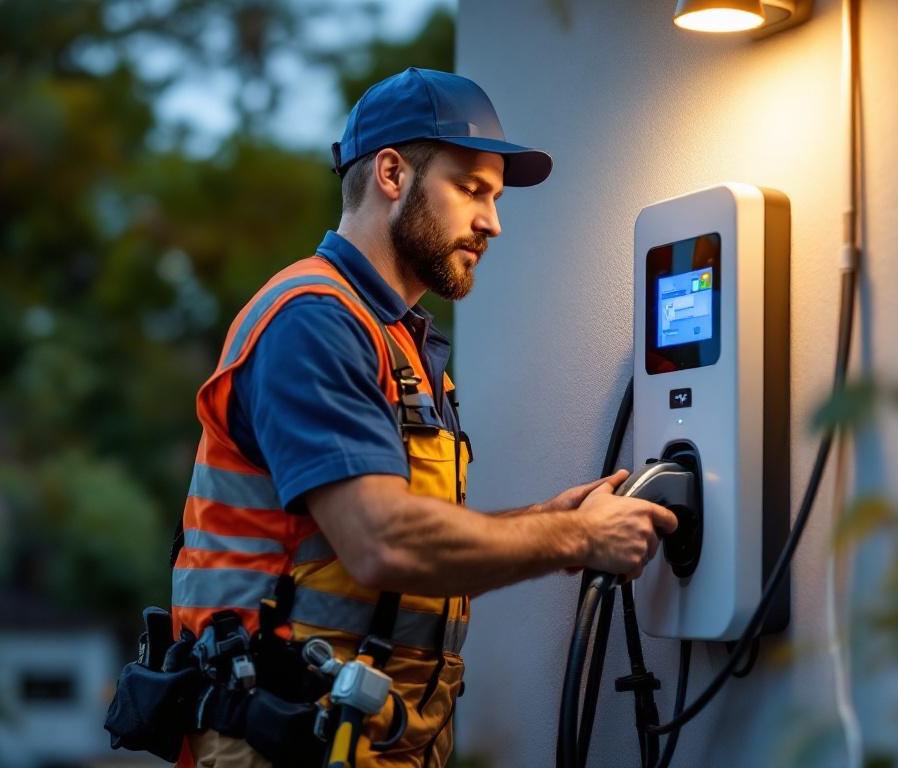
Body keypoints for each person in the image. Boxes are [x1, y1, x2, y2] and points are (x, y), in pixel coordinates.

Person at [169, 67, 676, 767]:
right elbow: (381, 543)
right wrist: (575, 538)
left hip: (367, 738)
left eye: (495, 198)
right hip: (283, 737)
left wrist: (546, 517)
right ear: (390, 173)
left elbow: (393, 551)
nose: (492, 222)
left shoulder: (399, 338)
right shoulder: (313, 322)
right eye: (471, 190)